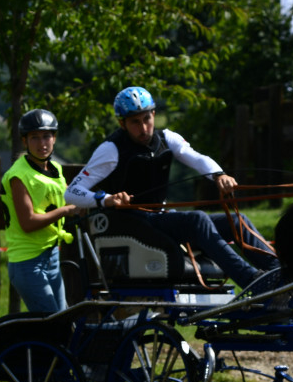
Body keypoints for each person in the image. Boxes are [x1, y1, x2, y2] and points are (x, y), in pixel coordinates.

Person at [64, 86, 278, 288]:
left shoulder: (167, 138)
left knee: (237, 221)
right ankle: (252, 280)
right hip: (134, 224)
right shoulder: (111, 149)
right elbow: (72, 192)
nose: (143, 128)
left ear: (153, 114)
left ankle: (279, 272)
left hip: (160, 218)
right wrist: (105, 199)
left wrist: (219, 175)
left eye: (146, 119)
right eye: (135, 122)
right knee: (197, 220)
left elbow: (197, 158)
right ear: (122, 123)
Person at [1, 108, 80, 313]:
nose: (42, 143)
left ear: (54, 138)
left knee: (62, 321)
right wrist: (65, 211)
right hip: (28, 262)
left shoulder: (55, 168)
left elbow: (70, 197)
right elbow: (27, 223)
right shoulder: (18, 175)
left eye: (46, 136)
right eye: (34, 137)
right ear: (25, 141)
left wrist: (104, 200)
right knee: (52, 325)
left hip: (51, 255)